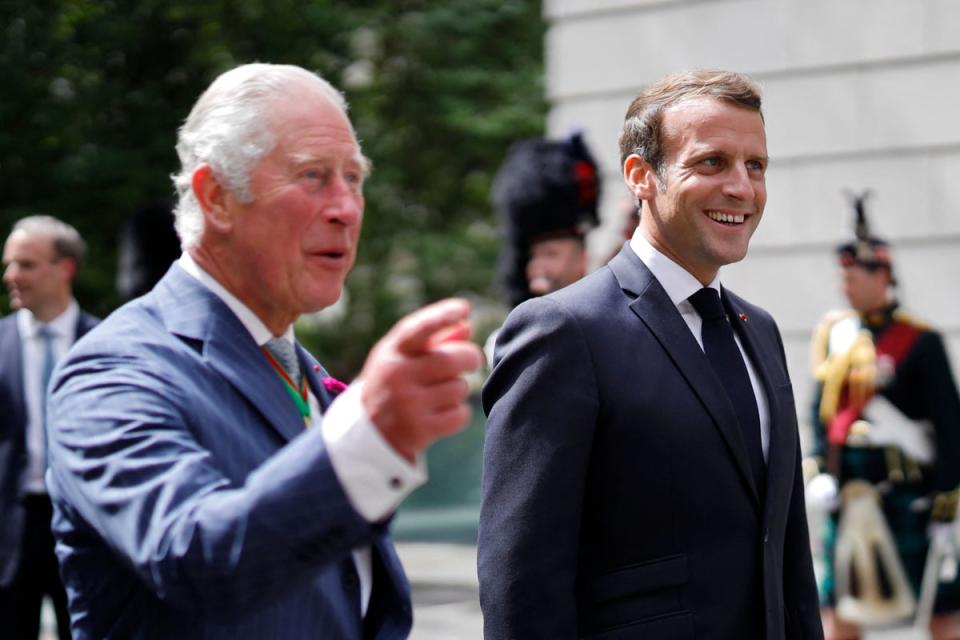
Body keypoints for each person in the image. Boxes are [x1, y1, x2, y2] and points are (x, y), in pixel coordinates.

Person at [44, 63, 482, 639]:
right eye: (312, 175)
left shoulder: (296, 367)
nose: (345, 207)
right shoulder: (113, 371)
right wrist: (371, 434)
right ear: (218, 197)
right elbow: (198, 560)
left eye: (354, 178)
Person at [479, 69, 823, 639]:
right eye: (711, 162)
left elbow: (787, 554)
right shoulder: (562, 331)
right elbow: (521, 580)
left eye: (755, 165)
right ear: (641, 176)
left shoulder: (759, 330)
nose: (742, 187)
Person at [806, 193, 960, 639]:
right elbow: (821, 414)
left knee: (941, 614)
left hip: (907, 494)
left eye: (853, 275)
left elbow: (950, 427)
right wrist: (819, 469)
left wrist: (945, 502)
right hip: (849, 494)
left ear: (883, 275)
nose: (844, 285)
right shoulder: (836, 336)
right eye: (843, 275)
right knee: (839, 609)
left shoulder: (921, 343)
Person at [0, 215, 98, 640]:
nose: (11, 276)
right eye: (9, 264)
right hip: (12, 524)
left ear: (66, 268)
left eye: (26, 264)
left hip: (86, 522)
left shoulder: (106, 342)